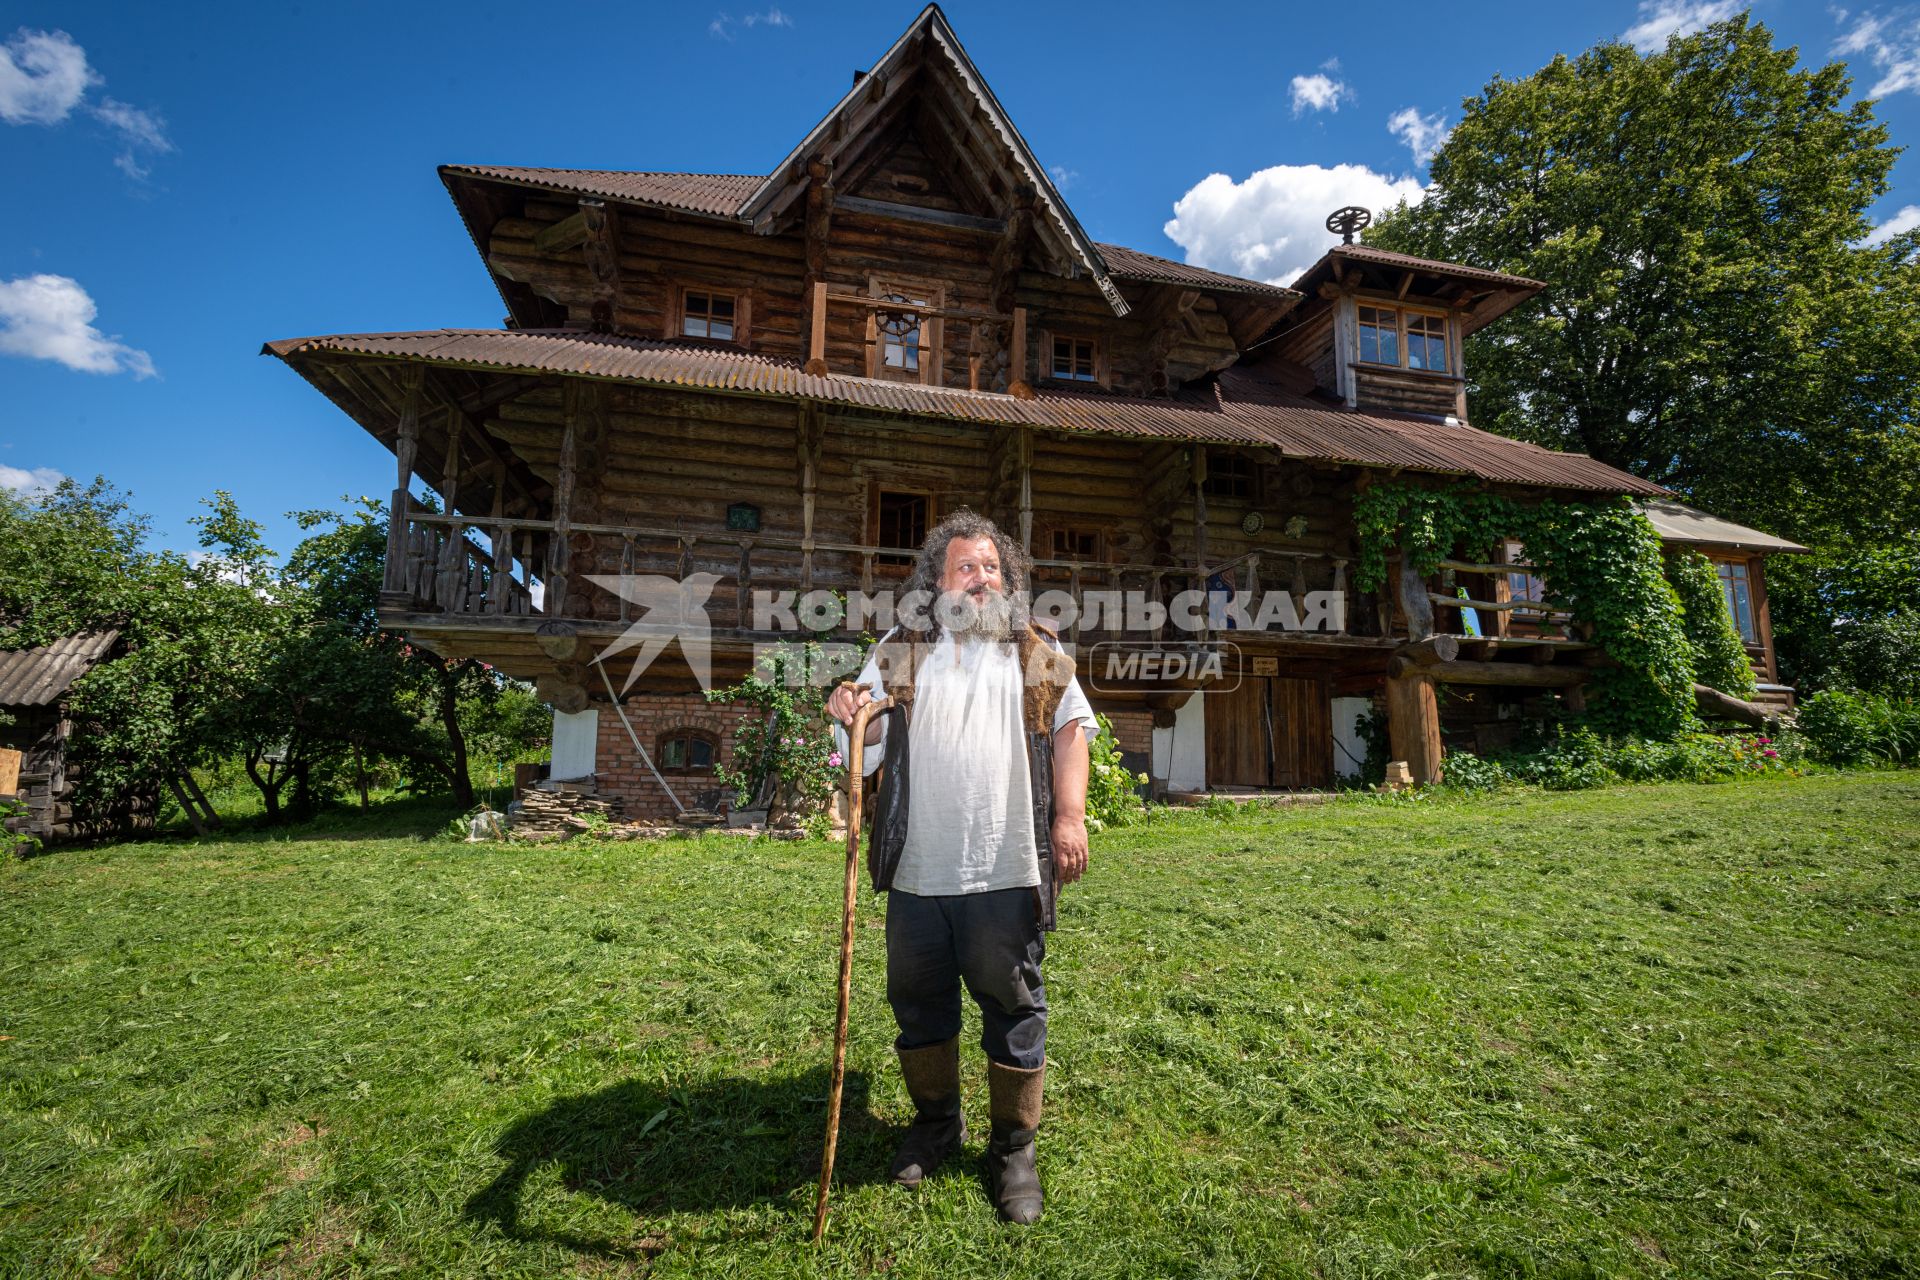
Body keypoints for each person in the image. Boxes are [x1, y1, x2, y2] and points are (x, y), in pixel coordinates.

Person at [828, 508, 1094, 1225]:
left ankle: (1013, 1150)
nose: (981, 579)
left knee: (1012, 1003)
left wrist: (1069, 817)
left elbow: (1073, 729)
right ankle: (937, 1123)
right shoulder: (903, 644)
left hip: (1007, 865)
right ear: (938, 583)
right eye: (966, 568)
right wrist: (850, 706)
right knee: (918, 1005)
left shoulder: (1035, 646)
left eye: (992, 569)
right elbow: (868, 728)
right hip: (918, 868)